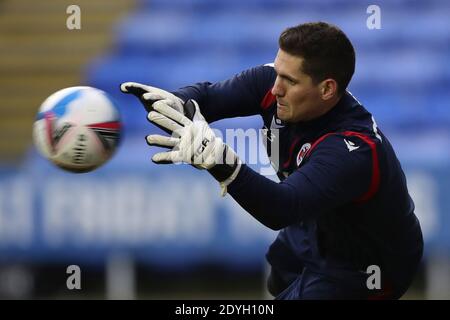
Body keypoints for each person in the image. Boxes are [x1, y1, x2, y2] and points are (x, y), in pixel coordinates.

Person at [120, 22, 423, 300]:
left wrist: (221, 163)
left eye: (289, 80)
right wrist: (177, 103)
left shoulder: (353, 148)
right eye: (277, 72)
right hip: (317, 227)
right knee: (279, 275)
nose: (275, 87)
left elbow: (282, 208)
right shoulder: (276, 84)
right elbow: (208, 98)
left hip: (364, 266)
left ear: (327, 89)